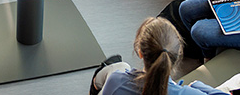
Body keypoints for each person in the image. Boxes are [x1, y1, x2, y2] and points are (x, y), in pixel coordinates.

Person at [91, 17, 229, 95]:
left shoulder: (118, 81)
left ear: (140, 52)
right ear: (178, 54)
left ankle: (96, 81)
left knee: (120, 66)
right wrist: (199, 86)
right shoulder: (190, 93)